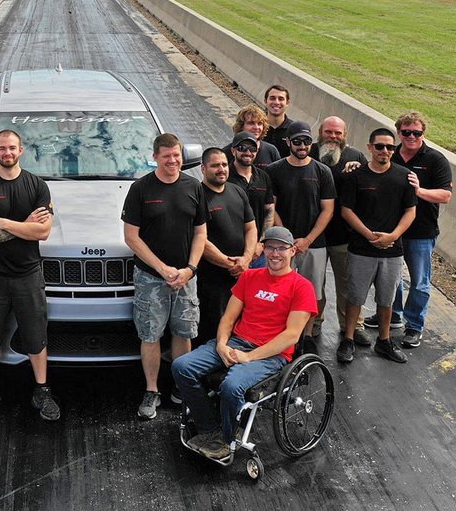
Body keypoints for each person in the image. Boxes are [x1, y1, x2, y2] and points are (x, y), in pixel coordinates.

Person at [172, 226, 316, 460]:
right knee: (181, 366)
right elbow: (228, 319)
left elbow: (291, 336)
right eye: (270, 247)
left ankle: (227, 437)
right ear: (263, 249)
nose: (275, 253)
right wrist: (221, 345)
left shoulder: (302, 287)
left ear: (293, 251)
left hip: (272, 354)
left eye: (281, 248)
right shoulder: (249, 277)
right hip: (237, 341)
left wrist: (250, 356)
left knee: (231, 385)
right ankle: (209, 426)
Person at [0, 130, 58, 420]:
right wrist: (24, 225)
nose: (7, 153)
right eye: (1, 149)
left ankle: (42, 390)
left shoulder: (37, 186)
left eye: (12, 148)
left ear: (21, 149)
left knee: (36, 337)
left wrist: (5, 223)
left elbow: (43, 232)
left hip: (28, 275)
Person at [122, 133, 207, 420]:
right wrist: (161, 268)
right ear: (155, 156)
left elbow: (200, 233)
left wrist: (189, 269)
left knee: (183, 333)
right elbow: (131, 237)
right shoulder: (140, 189)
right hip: (150, 278)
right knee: (150, 334)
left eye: (177, 155)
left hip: (185, 278)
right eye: (167, 156)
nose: (173, 161)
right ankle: (152, 390)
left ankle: (181, 388)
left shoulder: (194, 187)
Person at [365, 112, 453, 349]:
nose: (411, 137)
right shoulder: (389, 154)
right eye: (406, 132)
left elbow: (445, 195)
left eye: (417, 132)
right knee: (390, 277)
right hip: (392, 228)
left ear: (423, 133)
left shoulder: (435, 160)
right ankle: (392, 315)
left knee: (420, 281)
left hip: (421, 231)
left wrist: (420, 191)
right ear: (399, 133)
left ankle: (414, 325)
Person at [338, 128, 417, 364]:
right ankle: (348, 339)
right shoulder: (355, 176)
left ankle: (384, 341)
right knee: (355, 297)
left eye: (390, 147)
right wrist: (370, 235)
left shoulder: (404, 177)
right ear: (370, 147)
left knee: (387, 299)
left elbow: (410, 211)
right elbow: (346, 210)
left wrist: (392, 236)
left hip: (392, 251)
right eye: (380, 146)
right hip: (361, 249)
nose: (385, 151)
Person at [266, 121, 335, 353]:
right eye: (297, 141)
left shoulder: (322, 171)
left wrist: (307, 240)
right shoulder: (274, 170)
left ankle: (305, 337)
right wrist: (286, 239)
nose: (302, 145)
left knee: (312, 292)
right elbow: (271, 206)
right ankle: (278, 334)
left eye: (306, 141)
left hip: (313, 245)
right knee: (279, 289)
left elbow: (328, 209)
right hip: (282, 245)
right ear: (288, 142)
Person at [310, 116, 372, 346]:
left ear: (345, 135)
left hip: (344, 235)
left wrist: (359, 172)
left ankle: (353, 326)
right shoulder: (308, 151)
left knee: (348, 284)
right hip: (313, 235)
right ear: (320, 132)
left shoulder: (355, 157)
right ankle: (313, 324)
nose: (333, 137)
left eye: (338, 133)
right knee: (314, 285)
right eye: (329, 132)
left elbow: (368, 190)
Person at [197, 147, 256, 347]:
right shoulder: (197, 196)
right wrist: (230, 263)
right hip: (212, 281)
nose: (221, 169)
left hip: (241, 277)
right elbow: (201, 240)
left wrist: (246, 259)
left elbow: (251, 228)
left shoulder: (237, 191)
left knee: (239, 326)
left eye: (224, 164)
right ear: (203, 168)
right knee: (213, 330)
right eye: (215, 165)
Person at [226, 131, 275, 268]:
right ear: (233, 150)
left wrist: (261, 243)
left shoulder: (264, 177)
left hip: (258, 253)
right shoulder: (225, 177)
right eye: (242, 148)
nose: (248, 152)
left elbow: (269, 212)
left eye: (252, 148)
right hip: (232, 253)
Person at [222, 104, 280, 170]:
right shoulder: (225, 153)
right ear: (241, 126)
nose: (256, 127)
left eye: (260, 123)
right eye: (251, 123)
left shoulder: (271, 151)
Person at [263, 85, 294, 158]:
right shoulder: (257, 128)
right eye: (272, 98)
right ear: (265, 101)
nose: (276, 102)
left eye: (281, 99)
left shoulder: (293, 129)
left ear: (287, 103)